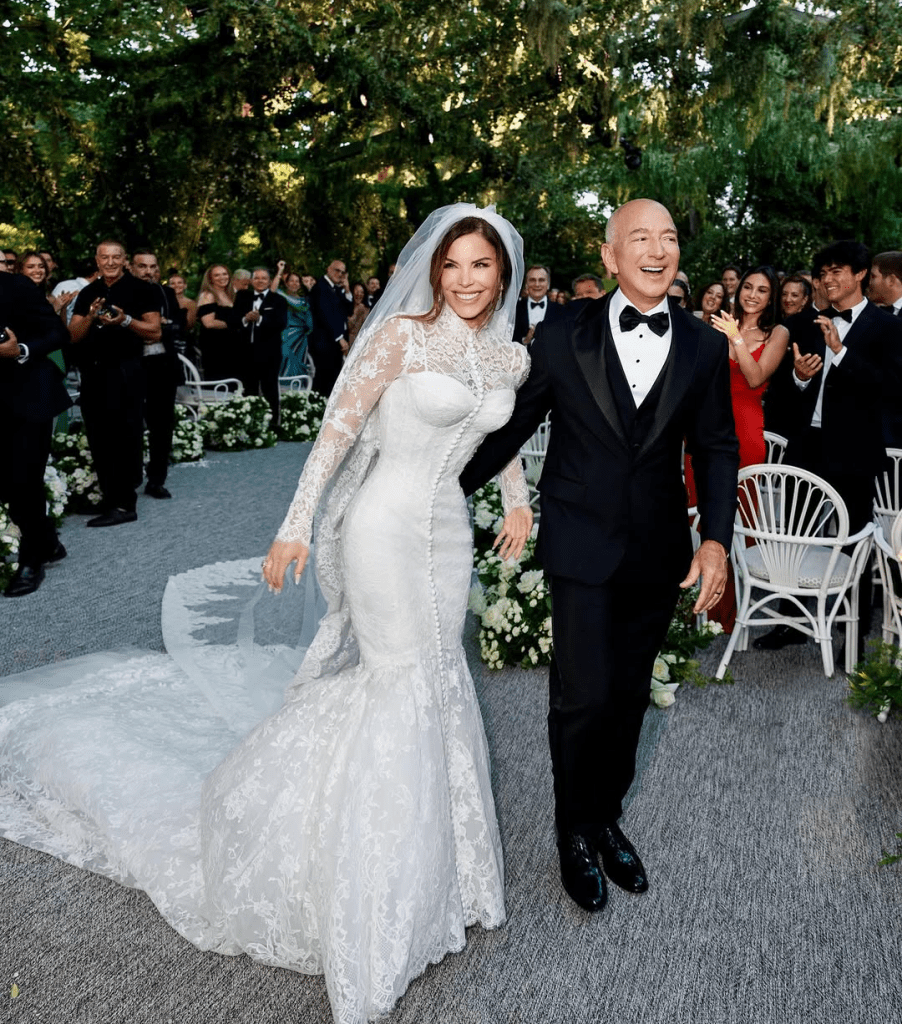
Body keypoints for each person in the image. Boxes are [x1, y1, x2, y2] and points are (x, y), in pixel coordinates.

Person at [0, 204, 532, 1024]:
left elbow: (491, 438)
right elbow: (336, 433)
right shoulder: (398, 339)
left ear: (501, 275)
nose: (467, 279)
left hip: (449, 538)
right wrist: (294, 526)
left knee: (439, 675)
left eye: (481, 267)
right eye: (454, 264)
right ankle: (369, 898)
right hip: (384, 527)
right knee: (396, 679)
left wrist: (517, 497)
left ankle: (446, 875)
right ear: (434, 270)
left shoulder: (507, 356)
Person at [461, 198, 739, 914]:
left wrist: (714, 540)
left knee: (626, 697)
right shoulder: (560, 333)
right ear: (611, 256)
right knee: (581, 696)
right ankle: (571, 832)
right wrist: (437, 482)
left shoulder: (705, 346)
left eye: (669, 238)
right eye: (639, 238)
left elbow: (714, 446)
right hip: (580, 543)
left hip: (656, 550)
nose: (657, 249)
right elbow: (511, 426)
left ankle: (605, 815)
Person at [754, 239, 902, 651]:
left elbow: (892, 389)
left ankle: (849, 630)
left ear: (859, 275)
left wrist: (840, 351)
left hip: (856, 449)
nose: (828, 279)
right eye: (823, 273)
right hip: (807, 444)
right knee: (794, 535)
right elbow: (786, 392)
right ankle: (789, 621)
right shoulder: (807, 322)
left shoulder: (888, 326)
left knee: (852, 540)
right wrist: (800, 377)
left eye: (838, 271)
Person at [688, 266, 790, 630]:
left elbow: (755, 376)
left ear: (771, 297)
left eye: (762, 290)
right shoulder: (716, 323)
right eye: (748, 286)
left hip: (744, 429)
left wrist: (736, 339)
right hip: (704, 424)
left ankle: (731, 608)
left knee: (736, 517)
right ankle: (692, 599)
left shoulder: (777, 332)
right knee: (693, 511)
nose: (752, 294)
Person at [68, 240, 162, 527]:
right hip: (93, 374)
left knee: (125, 434)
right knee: (98, 435)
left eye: (115, 257)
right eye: (104, 257)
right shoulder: (88, 292)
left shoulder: (142, 289)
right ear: (96, 261)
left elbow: (155, 331)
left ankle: (124, 504)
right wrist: (93, 317)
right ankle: (110, 498)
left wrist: (125, 321)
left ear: (124, 261)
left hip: (126, 371)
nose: (109, 262)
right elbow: (73, 334)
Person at [0, 271, 71, 596]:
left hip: (29, 396)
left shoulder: (17, 285)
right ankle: (50, 542)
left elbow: (57, 333)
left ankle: (32, 562)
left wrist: (21, 350)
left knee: (23, 481)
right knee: (8, 482)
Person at [132, 249, 183, 499]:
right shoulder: (125, 291)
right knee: (131, 423)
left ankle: (156, 480)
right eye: (142, 266)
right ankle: (129, 477)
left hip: (163, 365)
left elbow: (178, 324)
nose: (148, 272)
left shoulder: (167, 292)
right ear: (131, 268)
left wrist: (166, 325)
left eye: (153, 267)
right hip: (132, 365)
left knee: (161, 425)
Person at [233, 266, 289, 426]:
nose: (260, 281)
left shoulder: (278, 300)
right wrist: (245, 319)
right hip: (245, 352)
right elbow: (233, 319)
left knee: (270, 389)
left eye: (264, 278)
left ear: (269, 281)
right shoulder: (242, 296)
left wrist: (260, 320)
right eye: (256, 278)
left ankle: (273, 427)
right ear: (251, 280)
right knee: (248, 389)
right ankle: (250, 426)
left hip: (269, 353)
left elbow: (281, 323)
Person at [308, 258, 353, 395]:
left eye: (342, 272)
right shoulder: (320, 288)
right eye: (336, 270)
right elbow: (325, 315)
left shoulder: (336, 289)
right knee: (323, 382)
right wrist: (339, 338)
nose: (339, 274)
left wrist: (347, 289)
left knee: (333, 382)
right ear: (328, 269)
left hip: (334, 345)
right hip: (324, 343)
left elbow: (348, 311)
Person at [196, 264, 240, 382]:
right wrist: (233, 324)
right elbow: (208, 323)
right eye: (217, 275)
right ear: (210, 279)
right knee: (219, 383)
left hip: (231, 348)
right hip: (215, 348)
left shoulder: (230, 295)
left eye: (224, 274)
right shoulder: (208, 295)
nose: (222, 277)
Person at [513, 263, 564, 344]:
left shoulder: (561, 311)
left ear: (548, 285)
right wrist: (525, 341)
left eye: (541, 280)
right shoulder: (514, 310)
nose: (537, 284)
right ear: (526, 285)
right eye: (532, 280)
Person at [275, 268, 313, 376]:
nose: (294, 283)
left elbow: (310, 321)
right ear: (286, 283)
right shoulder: (282, 297)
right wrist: (279, 273)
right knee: (284, 357)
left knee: (299, 363)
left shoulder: (305, 301)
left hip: (301, 338)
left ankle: (296, 390)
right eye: (291, 280)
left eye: (297, 281)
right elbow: (273, 290)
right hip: (286, 335)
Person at [346, 281, 370, 348]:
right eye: (356, 291)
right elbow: (348, 327)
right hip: (348, 343)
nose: (359, 294)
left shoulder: (367, 309)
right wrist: (357, 311)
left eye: (362, 292)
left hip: (362, 344)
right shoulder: (346, 308)